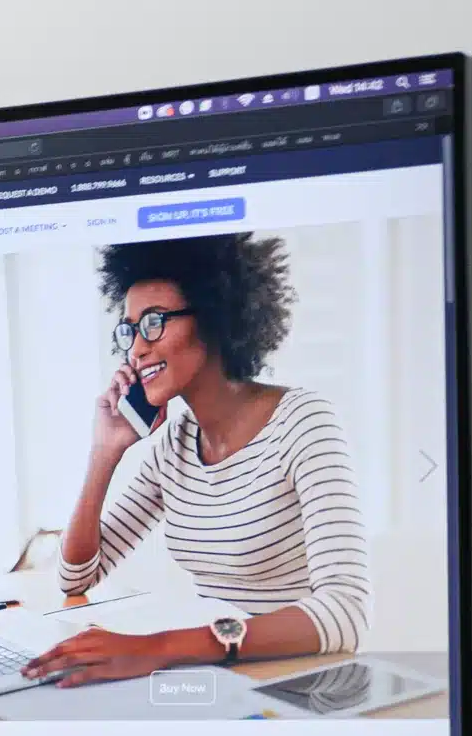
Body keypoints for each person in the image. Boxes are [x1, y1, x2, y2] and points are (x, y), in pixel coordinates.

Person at [30, 232, 368, 686]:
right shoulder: (175, 445)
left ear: (212, 317)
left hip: (300, 683)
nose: (136, 349)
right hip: (218, 677)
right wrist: (104, 452)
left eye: (154, 323)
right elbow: (76, 577)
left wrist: (160, 648)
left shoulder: (304, 422)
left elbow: (345, 614)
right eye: (130, 330)